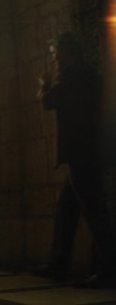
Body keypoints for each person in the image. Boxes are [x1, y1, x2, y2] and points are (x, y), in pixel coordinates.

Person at [35, 32, 116, 288]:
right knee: (67, 209)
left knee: (95, 214)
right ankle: (59, 264)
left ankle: (109, 270)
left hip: (83, 155)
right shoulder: (87, 75)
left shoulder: (75, 77)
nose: (54, 58)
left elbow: (49, 101)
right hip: (88, 153)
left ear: (66, 52)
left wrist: (43, 85)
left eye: (56, 52)